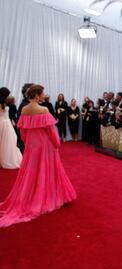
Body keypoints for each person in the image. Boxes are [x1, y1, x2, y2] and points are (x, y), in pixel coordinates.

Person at [0, 84, 76, 228]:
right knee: (46, 171)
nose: (43, 95)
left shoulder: (24, 110)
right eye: (42, 93)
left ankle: (32, 195)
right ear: (36, 95)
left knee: (31, 172)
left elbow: (22, 132)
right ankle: (46, 196)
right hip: (45, 146)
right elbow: (51, 132)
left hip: (31, 147)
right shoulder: (44, 109)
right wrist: (56, 144)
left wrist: (28, 143)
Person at [0, 87, 22, 169]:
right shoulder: (4, 103)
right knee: (6, 142)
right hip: (4, 123)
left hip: (6, 122)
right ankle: (5, 160)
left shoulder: (6, 102)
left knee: (8, 142)